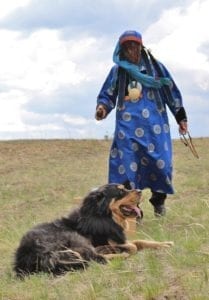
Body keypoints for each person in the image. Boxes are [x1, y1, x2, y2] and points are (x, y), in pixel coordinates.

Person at [95, 30, 188, 216]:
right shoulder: (118, 72)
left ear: (141, 47)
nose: (131, 49)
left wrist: (180, 117)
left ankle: (158, 200)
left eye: (134, 45)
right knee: (127, 167)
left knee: (161, 165)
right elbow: (108, 94)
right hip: (127, 129)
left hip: (156, 128)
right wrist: (102, 108)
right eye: (127, 46)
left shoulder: (155, 68)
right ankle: (133, 210)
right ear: (121, 50)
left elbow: (170, 89)